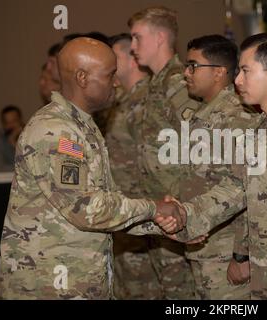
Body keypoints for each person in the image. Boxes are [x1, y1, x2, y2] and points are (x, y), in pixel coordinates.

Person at [0, 37, 184, 300]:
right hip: (49, 284)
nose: (117, 83)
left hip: (75, 278)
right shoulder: (56, 131)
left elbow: (108, 204)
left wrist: (161, 224)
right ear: (83, 78)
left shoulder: (82, 126)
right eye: (110, 76)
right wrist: (154, 209)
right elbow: (86, 209)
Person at [157, 33, 267, 299]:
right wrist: (185, 215)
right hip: (265, 281)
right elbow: (235, 190)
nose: (237, 80)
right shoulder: (258, 129)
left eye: (246, 71)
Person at [128, 6, 200, 299]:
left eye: (137, 38)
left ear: (159, 38)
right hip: (159, 213)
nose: (133, 47)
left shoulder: (178, 83)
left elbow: (202, 147)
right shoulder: (154, 84)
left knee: (181, 294)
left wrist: (192, 209)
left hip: (178, 213)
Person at [180, 34, 258, 299]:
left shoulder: (238, 117)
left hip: (226, 254)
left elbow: (250, 186)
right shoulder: (204, 114)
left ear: (219, 72)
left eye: (193, 66)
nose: (186, 73)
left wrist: (242, 254)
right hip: (204, 247)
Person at [100, 33, 162, 300]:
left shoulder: (148, 101)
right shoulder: (119, 102)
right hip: (121, 215)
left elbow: (155, 163)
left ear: (132, 58)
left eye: (115, 56)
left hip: (142, 216)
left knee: (144, 290)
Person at [0, 105, 24, 172]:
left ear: (20, 120)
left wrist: (16, 145)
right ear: (3, 124)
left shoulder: (29, 136)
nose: (11, 125)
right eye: (7, 123)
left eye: (14, 121)